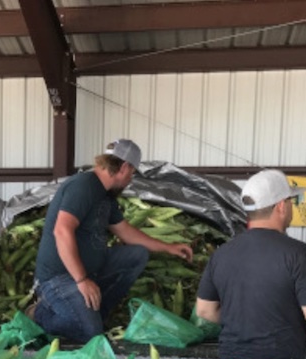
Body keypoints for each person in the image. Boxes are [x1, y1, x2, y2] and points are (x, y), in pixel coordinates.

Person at [195, 168, 306, 359]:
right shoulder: (299, 255)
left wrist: (244, 323)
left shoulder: (222, 254)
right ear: (281, 206)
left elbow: (204, 311)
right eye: (291, 201)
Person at [31, 138, 194, 343]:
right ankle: (39, 315)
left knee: (137, 254)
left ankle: (96, 313)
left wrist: (169, 248)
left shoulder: (105, 195)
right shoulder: (84, 185)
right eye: (132, 174)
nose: (130, 181)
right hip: (59, 277)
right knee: (90, 332)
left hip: (89, 272)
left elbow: (125, 232)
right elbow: (62, 231)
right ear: (124, 167)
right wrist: (82, 280)